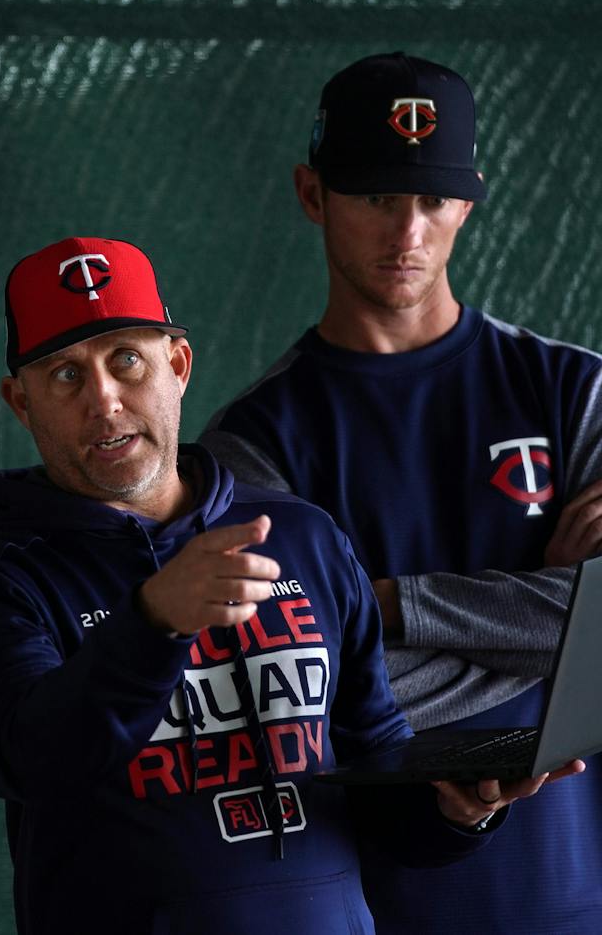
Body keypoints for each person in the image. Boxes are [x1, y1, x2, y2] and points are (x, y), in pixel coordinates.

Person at [0, 235, 579, 933]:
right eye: (64, 376)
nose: (105, 401)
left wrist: (454, 810)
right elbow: (35, 760)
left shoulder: (301, 535)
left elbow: (373, 773)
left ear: (176, 365)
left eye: (126, 359)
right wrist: (153, 624)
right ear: (20, 403)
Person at [200, 52, 602, 931]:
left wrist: (377, 604)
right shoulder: (253, 446)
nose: (408, 233)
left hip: (577, 894)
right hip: (377, 901)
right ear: (314, 195)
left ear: (469, 198)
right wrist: (558, 624)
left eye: (432, 199)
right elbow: (303, 697)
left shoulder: (576, 392)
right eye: (377, 196)